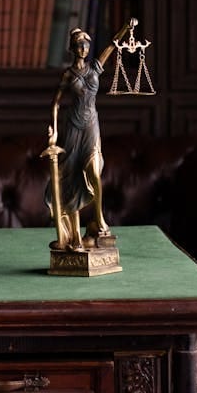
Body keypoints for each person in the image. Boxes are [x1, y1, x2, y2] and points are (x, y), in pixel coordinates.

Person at [45, 19, 134, 250]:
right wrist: (53, 127)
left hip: (91, 124)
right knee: (71, 175)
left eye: (86, 44)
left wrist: (126, 27)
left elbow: (113, 45)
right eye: (79, 45)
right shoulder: (68, 74)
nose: (83, 48)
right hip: (73, 127)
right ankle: (73, 232)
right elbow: (56, 103)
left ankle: (99, 216)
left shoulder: (95, 67)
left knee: (94, 171)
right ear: (72, 48)